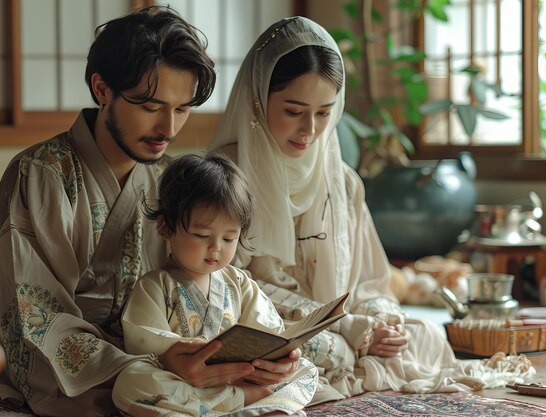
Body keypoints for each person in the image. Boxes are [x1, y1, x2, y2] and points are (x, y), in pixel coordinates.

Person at [0, 7, 295, 416]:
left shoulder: (170, 179)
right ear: (102, 89)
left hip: (168, 353)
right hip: (85, 367)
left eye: (182, 109)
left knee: (308, 355)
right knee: (139, 384)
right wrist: (153, 361)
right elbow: (37, 317)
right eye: (151, 106)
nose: (169, 128)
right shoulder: (42, 175)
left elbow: (224, 274)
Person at [209, 16, 533, 400]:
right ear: (259, 100)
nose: (310, 130)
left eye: (324, 112)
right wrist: (348, 327)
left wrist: (382, 321)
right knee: (301, 350)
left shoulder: (343, 182)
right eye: (293, 112)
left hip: (345, 325)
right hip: (265, 327)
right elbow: (223, 284)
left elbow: (370, 280)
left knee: (423, 334)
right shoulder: (223, 177)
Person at [113, 153, 317, 416]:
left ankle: (242, 403)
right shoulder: (154, 286)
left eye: (229, 238)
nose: (216, 248)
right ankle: (243, 403)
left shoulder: (240, 283)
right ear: (165, 227)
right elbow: (146, 345)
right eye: (202, 235)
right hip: (191, 385)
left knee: (306, 369)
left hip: (244, 377)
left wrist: (281, 358)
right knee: (131, 381)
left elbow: (269, 332)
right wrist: (178, 355)